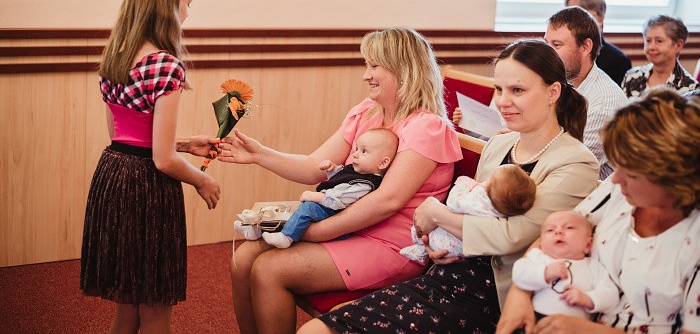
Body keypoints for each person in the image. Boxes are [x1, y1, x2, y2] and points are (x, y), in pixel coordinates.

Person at [298, 38, 600, 334]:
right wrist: (438, 242)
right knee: (315, 329)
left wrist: (437, 215)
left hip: (496, 295)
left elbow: (513, 237)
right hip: (449, 273)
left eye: (517, 90)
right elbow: (472, 210)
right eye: (499, 89)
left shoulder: (576, 162)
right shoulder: (500, 144)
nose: (503, 101)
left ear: (553, 92)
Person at [218, 27, 462, 334]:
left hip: (391, 245)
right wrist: (259, 155)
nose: (365, 75)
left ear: (403, 70)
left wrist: (317, 231)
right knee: (243, 259)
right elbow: (314, 167)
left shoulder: (427, 127)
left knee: (270, 270)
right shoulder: (367, 113)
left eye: (374, 65)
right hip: (350, 225)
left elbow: (387, 201)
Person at [80, 0, 222, 333]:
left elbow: (122, 136)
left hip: (113, 176)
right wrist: (202, 179)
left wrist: (186, 143)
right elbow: (161, 160)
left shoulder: (116, 55)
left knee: (127, 308)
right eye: (187, 3)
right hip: (147, 189)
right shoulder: (164, 65)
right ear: (169, 3)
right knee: (156, 308)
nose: (188, 13)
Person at [497, 88, 700, 333]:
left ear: (673, 180)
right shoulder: (621, 193)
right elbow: (555, 232)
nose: (615, 179)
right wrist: (519, 294)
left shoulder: (694, 237)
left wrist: (586, 329)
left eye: (631, 173)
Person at [260, 128, 399, 249]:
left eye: (363, 151)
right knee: (295, 213)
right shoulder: (358, 171)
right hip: (328, 209)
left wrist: (316, 197)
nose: (355, 154)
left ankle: (286, 237)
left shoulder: (365, 185)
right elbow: (341, 180)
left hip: (336, 217)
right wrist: (332, 170)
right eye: (356, 149)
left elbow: (340, 200)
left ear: (383, 162)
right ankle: (262, 230)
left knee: (308, 209)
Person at [544, 6, 628, 179]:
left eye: (557, 45)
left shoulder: (604, 103)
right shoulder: (558, 81)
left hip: (587, 188)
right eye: (547, 44)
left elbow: (570, 165)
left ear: (585, 47)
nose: (548, 53)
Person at [400, 163, 536, 264]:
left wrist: (464, 184)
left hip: (447, 242)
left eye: (489, 179)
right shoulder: (503, 209)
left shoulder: (481, 200)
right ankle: (423, 249)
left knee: (429, 210)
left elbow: (454, 203)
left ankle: (419, 246)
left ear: (488, 188)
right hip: (463, 251)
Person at [511, 210, 619, 320]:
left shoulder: (593, 266)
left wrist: (588, 299)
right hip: (535, 316)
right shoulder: (538, 257)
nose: (558, 231)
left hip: (573, 324)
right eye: (550, 230)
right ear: (541, 244)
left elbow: (611, 294)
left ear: (588, 245)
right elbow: (518, 274)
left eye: (569, 227)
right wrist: (545, 273)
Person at [565, 0, 631, 86]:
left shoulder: (618, 61)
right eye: (570, 15)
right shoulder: (561, 52)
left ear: (601, 18)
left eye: (583, 15)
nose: (574, 21)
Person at [621, 14, 698, 97]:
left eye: (659, 41)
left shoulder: (691, 88)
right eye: (648, 41)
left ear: (678, 45)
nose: (651, 47)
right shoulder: (632, 76)